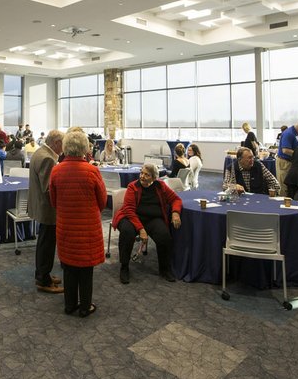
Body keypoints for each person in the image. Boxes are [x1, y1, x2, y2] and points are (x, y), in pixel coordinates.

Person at [49, 130, 106, 317]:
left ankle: (69, 305)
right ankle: (85, 307)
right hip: (88, 228)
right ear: (85, 148)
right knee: (86, 270)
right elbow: (103, 201)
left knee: (69, 267)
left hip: (66, 226)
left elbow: (53, 201)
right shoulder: (92, 171)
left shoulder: (56, 170)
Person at [112, 162, 182, 284]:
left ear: (154, 178)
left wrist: (175, 212)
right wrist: (141, 229)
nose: (142, 177)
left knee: (164, 236)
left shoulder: (160, 186)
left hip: (153, 218)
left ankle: (165, 269)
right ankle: (124, 267)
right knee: (127, 233)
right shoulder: (132, 186)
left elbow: (176, 199)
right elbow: (129, 210)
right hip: (131, 217)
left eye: (147, 175)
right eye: (142, 173)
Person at [28, 129, 65, 294]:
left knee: (44, 242)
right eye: (63, 144)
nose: (64, 148)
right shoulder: (48, 158)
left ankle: (43, 275)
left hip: (41, 206)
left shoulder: (40, 152)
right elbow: (48, 188)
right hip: (47, 209)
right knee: (47, 245)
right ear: (56, 143)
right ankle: (43, 279)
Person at [276, 119, 298, 196]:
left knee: (291, 185)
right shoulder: (289, 134)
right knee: (284, 185)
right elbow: (285, 150)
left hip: (292, 162)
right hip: (285, 162)